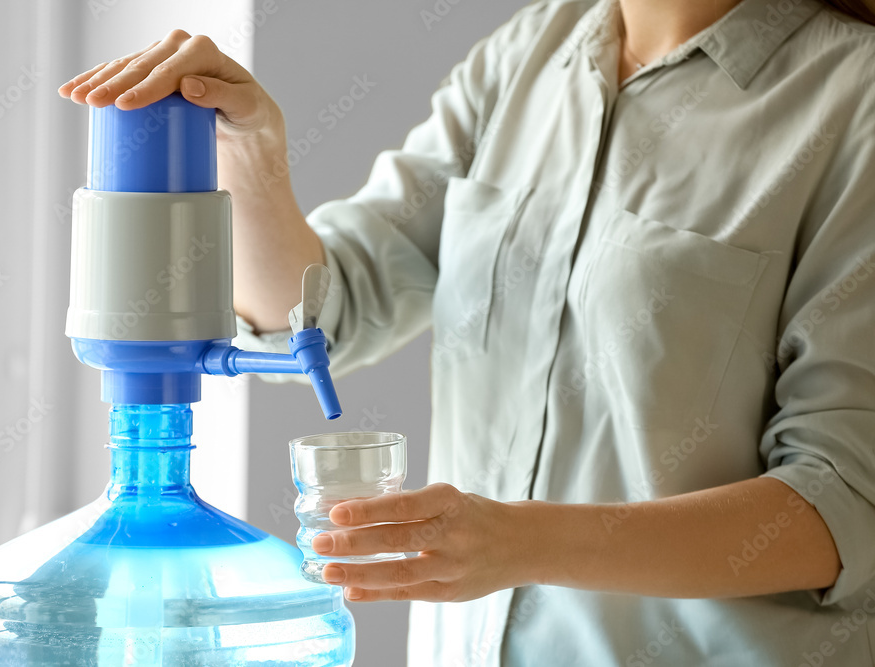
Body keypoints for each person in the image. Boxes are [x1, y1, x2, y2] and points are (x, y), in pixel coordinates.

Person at [59, 0, 875, 664]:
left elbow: (844, 505)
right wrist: (252, 152)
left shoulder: (853, 99)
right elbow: (327, 314)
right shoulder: (526, 54)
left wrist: (516, 541)